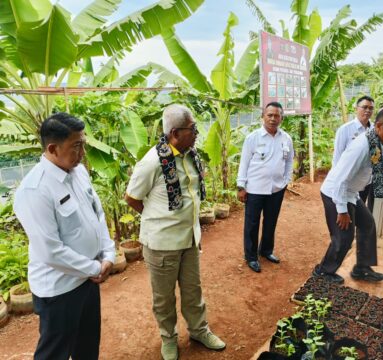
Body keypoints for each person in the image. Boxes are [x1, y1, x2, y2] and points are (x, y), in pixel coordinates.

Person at [125, 104, 225, 360]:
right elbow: (132, 198)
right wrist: (157, 219)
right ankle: (168, 339)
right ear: (175, 133)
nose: (196, 133)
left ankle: (199, 330)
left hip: (190, 239)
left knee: (193, 291)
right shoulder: (151, 162)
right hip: (161, 243)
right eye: (192, 129)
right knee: (164, 298)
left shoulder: (190, 154)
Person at [13, 112, 115, 360]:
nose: (82, 153)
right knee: (54, 353)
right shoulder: (34, 190)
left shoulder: (79, 172)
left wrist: (108, 254)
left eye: (83, 144)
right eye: (76, 146)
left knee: (88, 345)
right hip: (60, 290)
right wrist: (94, 268)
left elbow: (97, 214)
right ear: (52, 148)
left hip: (89, 280)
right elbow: (51, 251)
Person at [314, 108, 383, 284]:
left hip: (351, 193)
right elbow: (340, 180)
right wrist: (342, 211)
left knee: (368, 224)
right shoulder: (362, 146)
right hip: (336, 193)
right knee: (344, 236)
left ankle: (362, 268)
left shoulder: (376, 142)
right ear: (378, 126)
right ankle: (323, 272)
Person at [237, 102, 294, 273]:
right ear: (263, 116)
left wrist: (286, 180)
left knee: (270, 222)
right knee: (252, 224)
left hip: (276, 189)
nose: (273, 118)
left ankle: (266, 250)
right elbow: (244, 162)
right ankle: (251, 256)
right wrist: (241, 186)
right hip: (255, 188)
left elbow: (290, 160)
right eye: (269, 115)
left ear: (281, 118)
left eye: (276, 115)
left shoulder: (286, 139)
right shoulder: (253, 138)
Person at [332, 95, 375, 204]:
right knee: (345, 213)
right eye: (364, 107)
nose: (367, 110)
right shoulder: (345, 130)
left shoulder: (375, 130)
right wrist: (336, 181)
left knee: (359, 211)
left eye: (370, 108)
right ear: (357, 108)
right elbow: (338, 157)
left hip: (365, 181)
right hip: (348, 181)